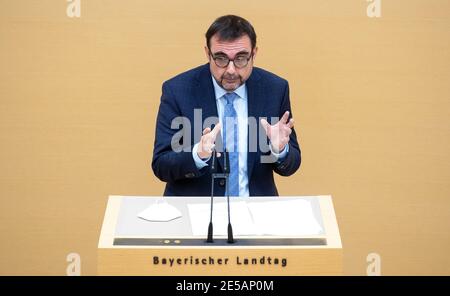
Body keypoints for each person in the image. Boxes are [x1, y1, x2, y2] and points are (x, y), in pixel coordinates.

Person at [152, 15, 301, 196]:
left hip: (255, 211)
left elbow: (291, 165)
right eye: (221, 58)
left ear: (254, 53)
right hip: (195, 210)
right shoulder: (177, 90)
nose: (231, 70)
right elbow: (161, 165)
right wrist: (197, 154)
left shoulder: (275, 89)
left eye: (241, 58)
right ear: (208, 53)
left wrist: (280, 150)